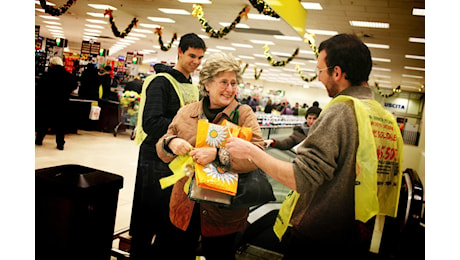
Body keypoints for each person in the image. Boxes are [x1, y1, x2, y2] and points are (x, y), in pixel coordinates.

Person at [226, 34, 404, 259]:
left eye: (320, 70)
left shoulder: (341, 112)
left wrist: (251, 152)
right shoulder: (383, 117)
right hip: (357, 234)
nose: (319, 78)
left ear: (337, 72)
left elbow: (301, 177)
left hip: (319, 239)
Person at [156, 52, 264, 259]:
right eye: (224, 82)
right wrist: (171, 143)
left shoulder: (243, 114)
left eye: (234, 83)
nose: (230, 89)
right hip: (184, 206)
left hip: (223, 211)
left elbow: (257, 153)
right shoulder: (187, 112)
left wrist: (217, 154)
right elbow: (161, 146)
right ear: (207, 84)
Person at [129, 33, 206, 259]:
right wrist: (185, 132)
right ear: (179, 52)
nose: (196, 62)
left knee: (169, 217)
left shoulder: (190, 85)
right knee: (148, 217)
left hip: (178, 161)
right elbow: (151, 122)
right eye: (192, 55)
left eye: (200, 58)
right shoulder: (160, 82)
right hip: (155, 159)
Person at [35, 56, 78, 150]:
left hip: (46, 102)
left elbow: (39, 88)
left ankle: (39, 139)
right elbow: (74, 85)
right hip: (61, 102)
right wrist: (67, 91)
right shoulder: (67, 75)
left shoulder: (46, 75)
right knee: (60, 125)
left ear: (51, 64)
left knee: (44, 122)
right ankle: (60, 144)